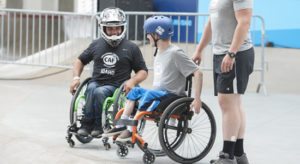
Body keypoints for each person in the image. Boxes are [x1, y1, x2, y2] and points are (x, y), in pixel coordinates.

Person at [102, 15, 203, 142]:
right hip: (160, 95)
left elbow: (198, 73)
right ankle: (120, 125)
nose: (147, 36)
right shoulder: (159, 51)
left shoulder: (175, 53)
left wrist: (197, 99)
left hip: (171, 96)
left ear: (156, 35)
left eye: (148, 34)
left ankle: (130, 129)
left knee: (148, 94)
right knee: (134, 91)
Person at [69, 7, 148, 138]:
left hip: (117, 87)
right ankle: (86, 124)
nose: (114, 32)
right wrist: (76, 78)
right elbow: (79, 61)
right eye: (110, 29)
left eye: (117, 28)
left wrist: (133, 81)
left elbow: (143, 71)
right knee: (91, 88)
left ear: (123, 28)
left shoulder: (131, 47)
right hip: (96, 82)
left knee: (99, 92)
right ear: (103, 28)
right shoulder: (96, 45)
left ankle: (98, 125)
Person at [192, 0, 254, 164]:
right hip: (221, 53)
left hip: (236, 54)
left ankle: (227, 156)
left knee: (227, 103)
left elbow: (245, 22)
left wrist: (231, 53)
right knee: (233, 103)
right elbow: (213, 21)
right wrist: (199, 49)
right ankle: (239, 154)